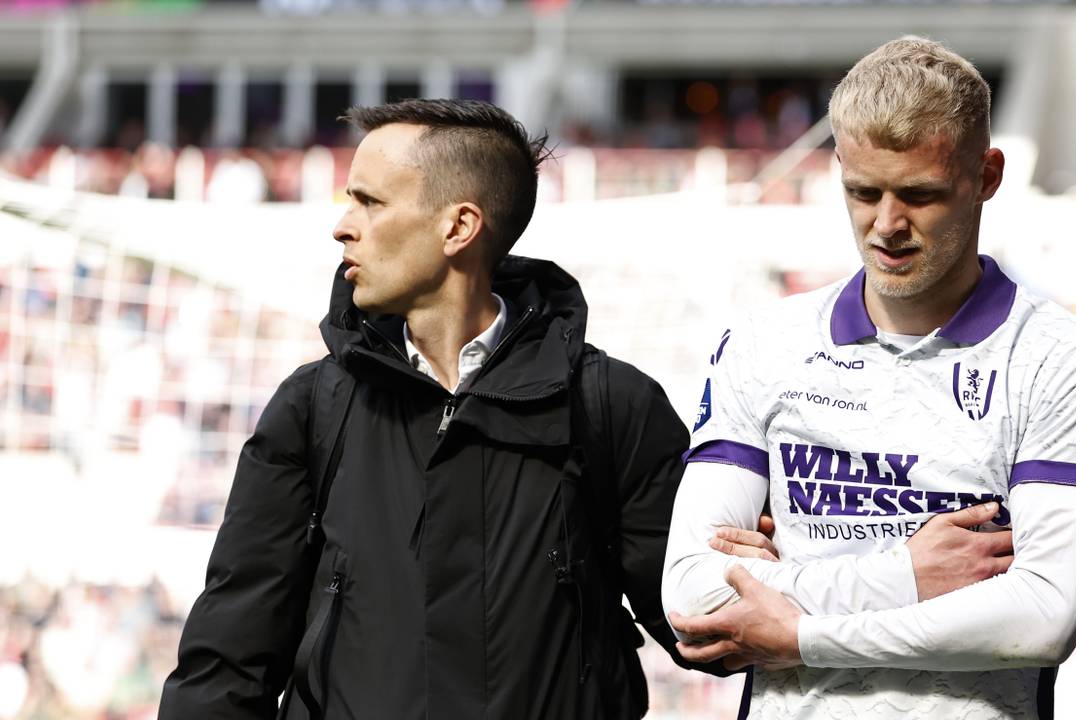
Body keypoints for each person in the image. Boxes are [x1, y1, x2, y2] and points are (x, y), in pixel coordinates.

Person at [160, 98, 716, 719]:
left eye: (370, 202)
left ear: (458, 227)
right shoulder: (312, 407)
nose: (342, 226)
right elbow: (226, 664)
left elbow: (703, 629)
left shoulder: (610, 405)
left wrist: (743, 564)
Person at [662, 36, 1076, 718]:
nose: (887, 225)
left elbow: (1041, 616)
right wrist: (904, 575)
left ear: (986, 176)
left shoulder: (1062, 356)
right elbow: (693, 596)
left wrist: (799, 629)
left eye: (920, 194)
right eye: (862, 191)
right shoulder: (763, 344)